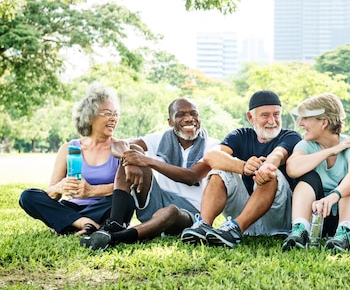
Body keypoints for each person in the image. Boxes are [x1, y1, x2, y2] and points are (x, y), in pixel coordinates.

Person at [80, 98, 220, 250]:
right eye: (180, 115)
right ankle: (115, 224)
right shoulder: (160, 139)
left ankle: (116, 238)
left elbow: (192, 176)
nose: (189, 118)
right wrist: (129, 160)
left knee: (171, 210)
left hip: (191, 213)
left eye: (194, 114)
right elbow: (117, 144)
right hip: (158, 199)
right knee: (130, 153)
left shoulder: (212, 146)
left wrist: (148, 161)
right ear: (170, 122)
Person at [181, 90, 301, 248]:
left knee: (270, 172)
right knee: (219, 170)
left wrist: (263, 167)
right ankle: (203, 226)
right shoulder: (240, 135)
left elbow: (278, 155)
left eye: (276, 114)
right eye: (265, 115)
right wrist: (243, 166)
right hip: (244, 210)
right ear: (250, 117)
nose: (272, 121)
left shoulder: (291, 136)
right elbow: (211, 156)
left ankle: (236, 230)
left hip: (277, 216)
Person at [19, 83, 121, 235]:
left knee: (119, 202)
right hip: (70, 207)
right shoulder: (69, 148)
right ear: (90, 116)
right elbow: (52, 193)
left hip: (103, 207)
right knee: (28, 196)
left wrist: (92, 191)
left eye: (116, 114)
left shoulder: (120, 148)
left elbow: (125, 190)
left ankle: (68, 225)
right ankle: (84, 224)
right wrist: (60, 187)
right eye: (107, 113)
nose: (113, 119)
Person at [282, 93, 350, 252]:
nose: (301, 123)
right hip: (320, 218)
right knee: (308, 177)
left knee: (349, 182)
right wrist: (331, 151)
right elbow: (292, 168)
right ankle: (300, 230)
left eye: (306, 118)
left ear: (323, 122)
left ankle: (345, 234)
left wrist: (334, 195)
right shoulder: (306, 145)